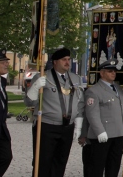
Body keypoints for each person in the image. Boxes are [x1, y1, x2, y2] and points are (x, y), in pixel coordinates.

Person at [25, 47, 86, 177]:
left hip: (67, 127)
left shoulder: (75, 79)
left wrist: (78, 125)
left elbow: (80, 103)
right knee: (43, 162)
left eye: (69, 59)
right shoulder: (43, 77)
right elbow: (29, 103)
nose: (67, 62)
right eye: (64, 60)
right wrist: (35, 87)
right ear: (55, 62)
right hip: (46, 126)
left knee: (60, 162)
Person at [83, 59, 123, 177]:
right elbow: (92, 114)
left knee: (113, 167)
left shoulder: (117, 88)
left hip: (118, 134)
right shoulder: (94, 91)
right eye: (110, 71)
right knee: (97, 168)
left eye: (114, 71)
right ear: (102, 73)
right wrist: (100, 131)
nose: (113, 73)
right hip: (103, 135)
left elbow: (117, 108)